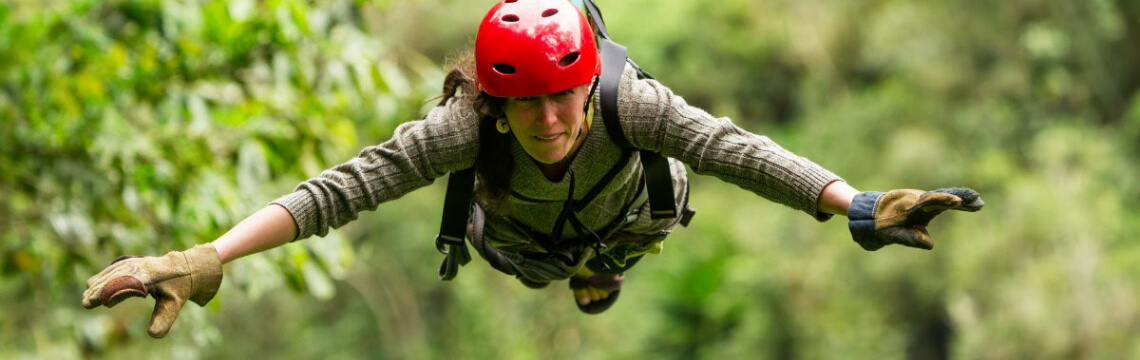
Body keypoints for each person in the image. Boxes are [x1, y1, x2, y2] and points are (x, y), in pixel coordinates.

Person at [81, 0, 984, 338]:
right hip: (518, 237)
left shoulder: (634, 106)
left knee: (641, 226)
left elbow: (736, 150)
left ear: (588, 86)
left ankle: (603, 272)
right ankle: (577, 272)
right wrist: (211, 256)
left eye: (566, 98)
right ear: (495, 100)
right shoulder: (458, 129)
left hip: (630, 218)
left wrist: (855, 202)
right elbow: (337, 194)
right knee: (524, 259)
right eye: (528, 104)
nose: (550, 120)